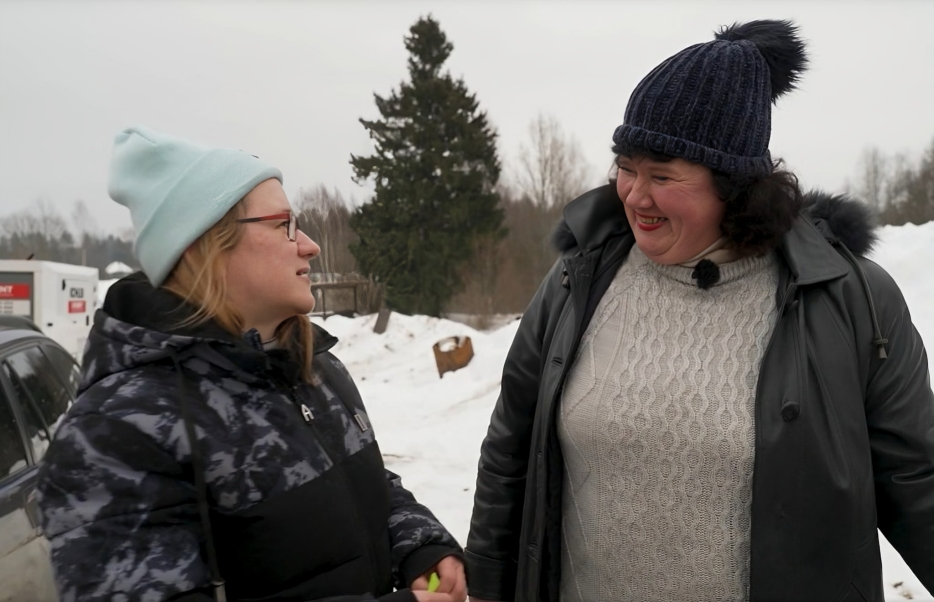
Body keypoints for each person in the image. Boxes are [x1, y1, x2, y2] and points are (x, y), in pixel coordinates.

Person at [465, 20, 934, 602]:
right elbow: (511, 448)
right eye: (627, 166)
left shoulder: (847, 298)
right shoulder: (575, 283)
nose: (636, 195)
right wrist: (487, 584)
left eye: (662, 175)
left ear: (735, 186)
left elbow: (917, 479)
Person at [37, 126, 467, 602]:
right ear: (203, 245)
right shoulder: (117, 432)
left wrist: (417, 544)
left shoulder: (315, 372)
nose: (309, 245)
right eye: (283, 224)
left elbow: (365, 490)